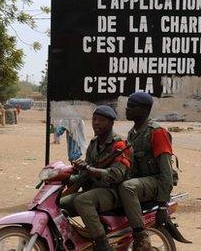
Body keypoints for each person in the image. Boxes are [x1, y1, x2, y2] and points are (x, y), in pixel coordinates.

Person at [60, 105, 131, 251]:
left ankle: (102, 244)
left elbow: (117, 174)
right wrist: (68, 176)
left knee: (82, 201)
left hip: (113, 191)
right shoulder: (94, 143)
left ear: (111, 123)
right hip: (94, 190)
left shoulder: (119, 144)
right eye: (94, 119)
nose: (96, 123)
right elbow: (85, 173)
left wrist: (93, 171)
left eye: (101, 120)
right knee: (59, 203)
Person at [118, 92, 174, 250]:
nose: (127, 109)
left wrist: (163, 205)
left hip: (155, 181)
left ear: (143, 110)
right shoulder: (133, 133)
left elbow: (166, 170)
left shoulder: (157, 132)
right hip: (140, 181)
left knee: (127, 187)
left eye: (131, 106)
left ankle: (140, 235)